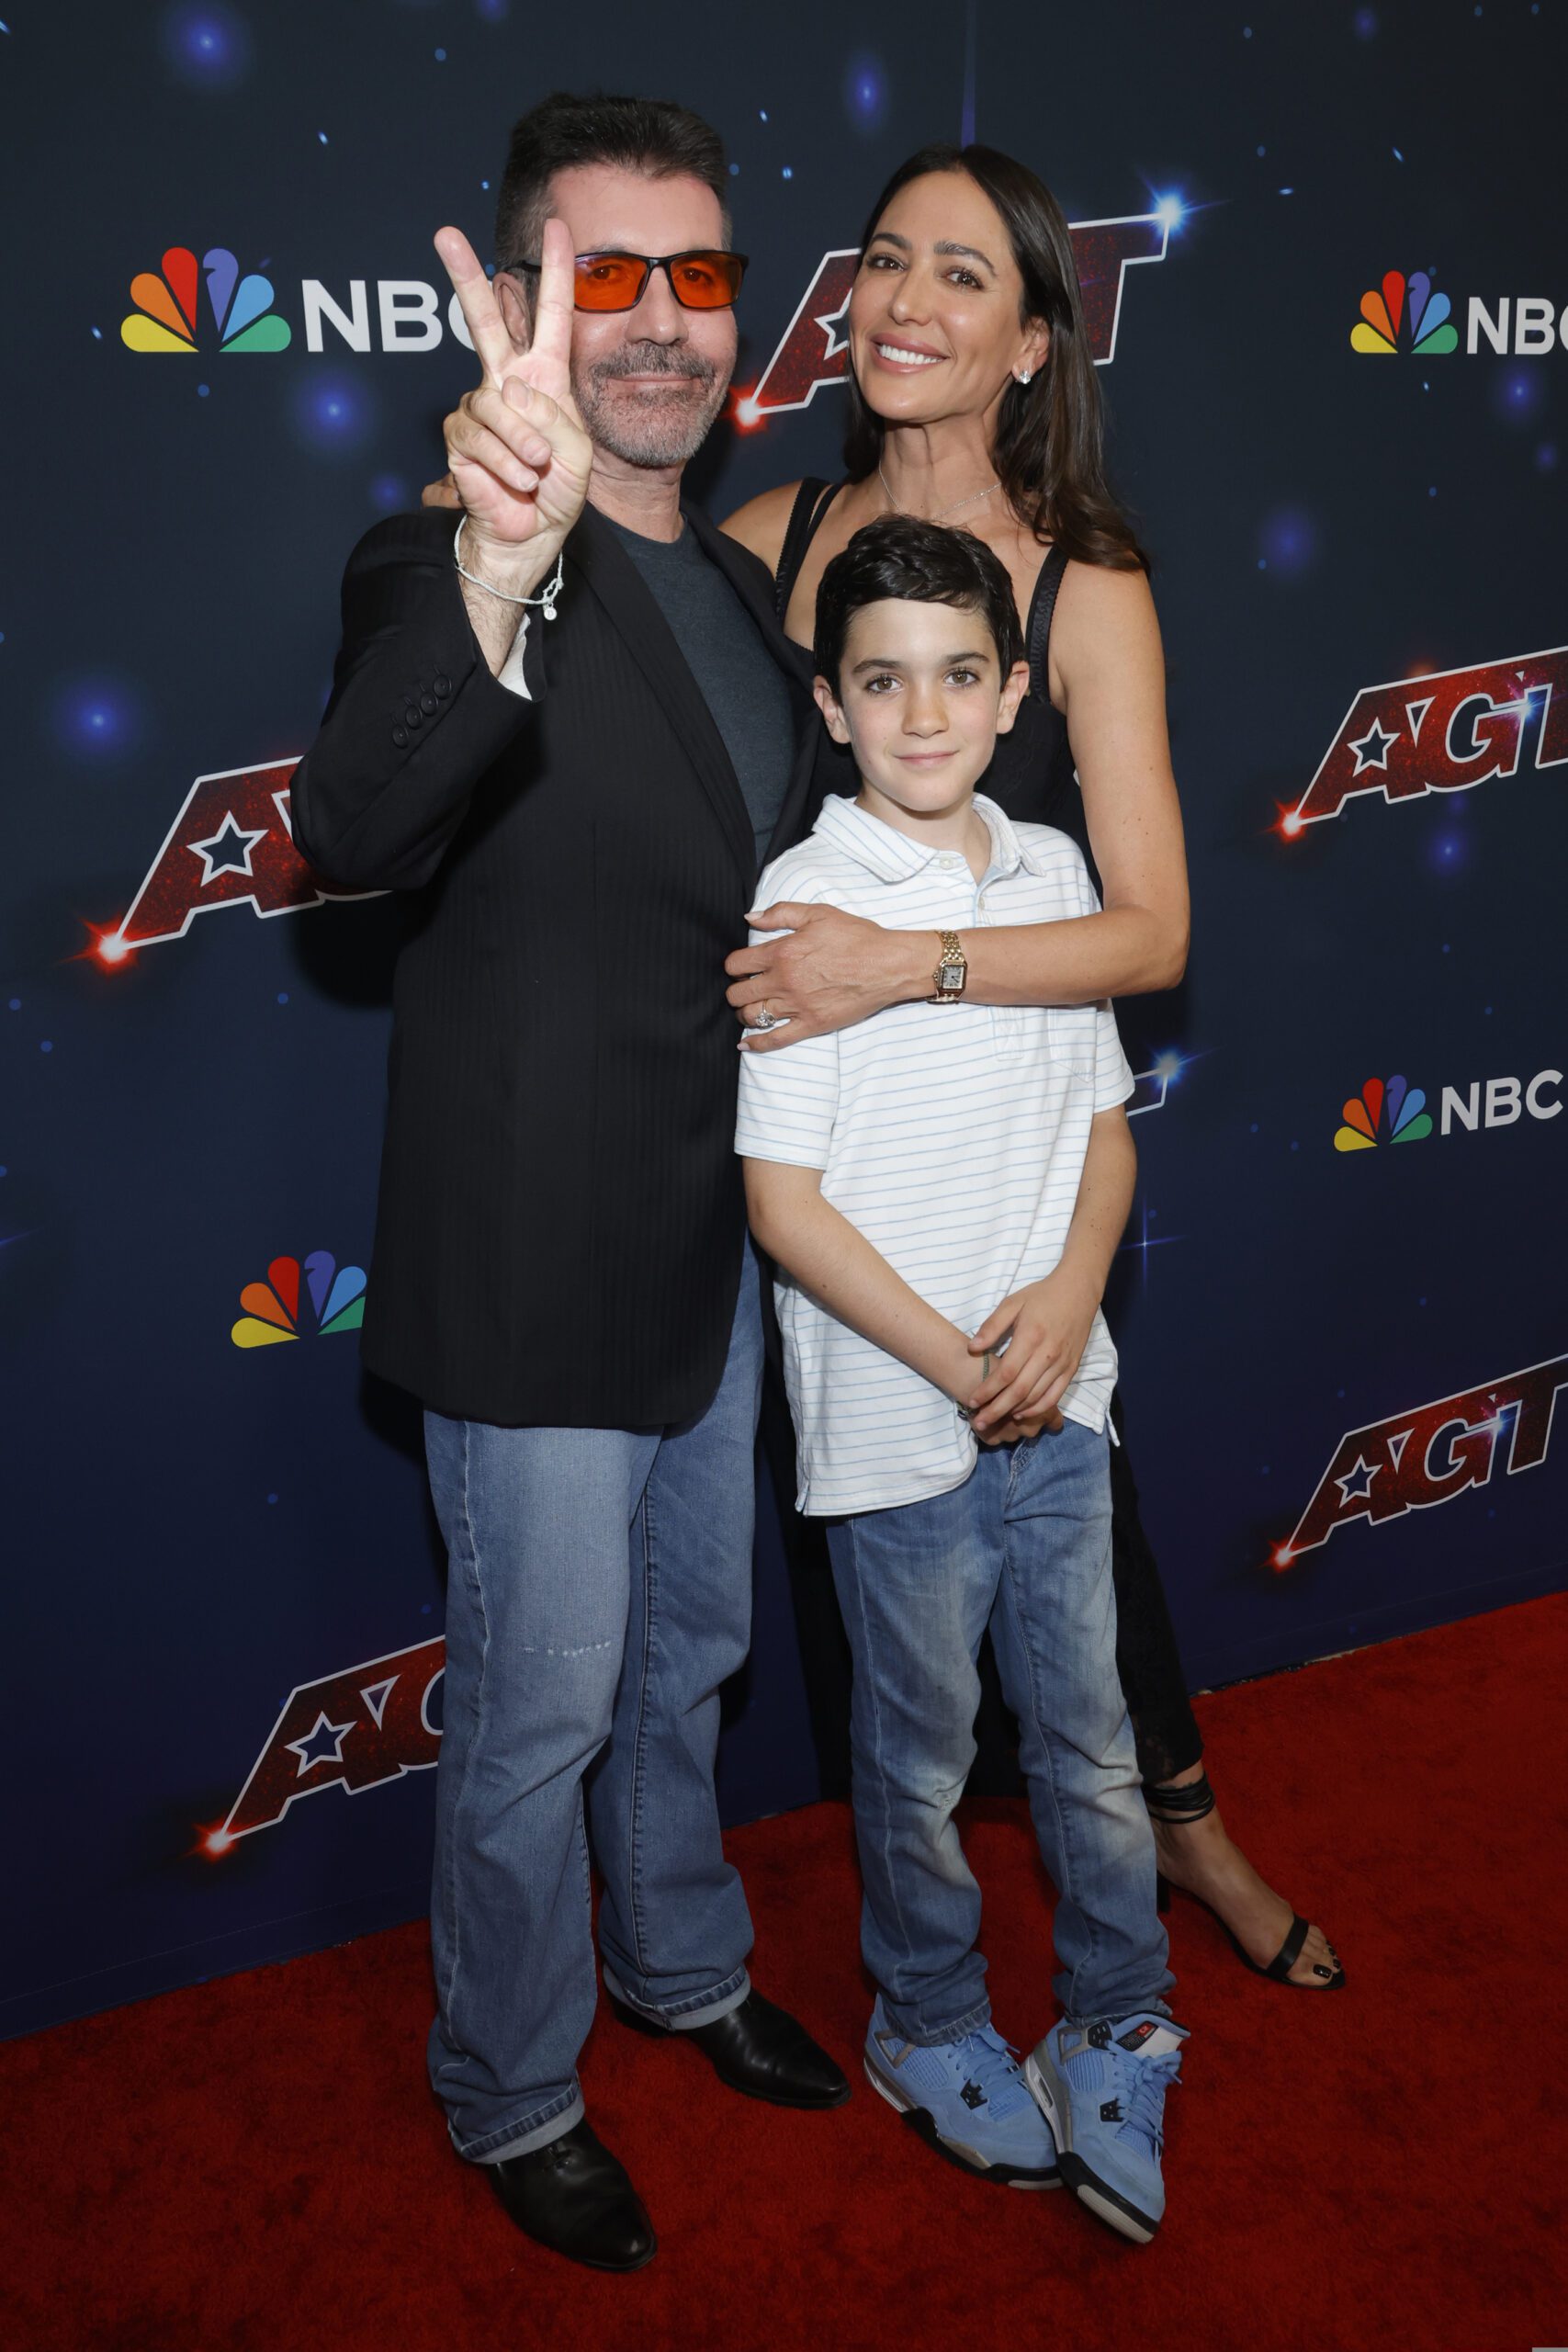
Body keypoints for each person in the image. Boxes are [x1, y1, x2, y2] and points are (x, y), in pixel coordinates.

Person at [290, 92, 850, 2279]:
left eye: (695, 276)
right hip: (531, 1251)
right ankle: (511, 2081)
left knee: (690, 1649)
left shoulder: (733, 580)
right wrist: (495, 564)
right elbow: (350, 825)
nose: (653, 325)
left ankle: (680, 1965)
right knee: (536, 1696)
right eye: (598, 275)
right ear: (525, 297)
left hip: (719, 1238)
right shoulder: (428, 553)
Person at [724, 141, 1341, 1992]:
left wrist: (899, 963)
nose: (906, 302)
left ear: (1026, 345)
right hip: (823, 1162)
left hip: (1010, 1150)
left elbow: (1147, 930)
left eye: (963, 276)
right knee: (878, 1575)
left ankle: (1187, 1838)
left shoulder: (1084, 584)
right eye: (884, 261)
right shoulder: (765, 540)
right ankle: (927, 1965)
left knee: (1090, 1550)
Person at [739, 514, 1189, 2245]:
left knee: (1087, 1742)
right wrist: (953, 1363)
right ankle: (927, 2023)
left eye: (954, 676)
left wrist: (1068, 1303)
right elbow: (783, 1201)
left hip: (1060, 1401)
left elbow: (1101, 1121)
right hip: (896, 1427)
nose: (920, 714)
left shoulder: (1058, 872)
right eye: (880, 681)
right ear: (837, 708)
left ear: (1012, 693)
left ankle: (1119, 2015)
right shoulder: (803, 900)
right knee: (919, 1758)